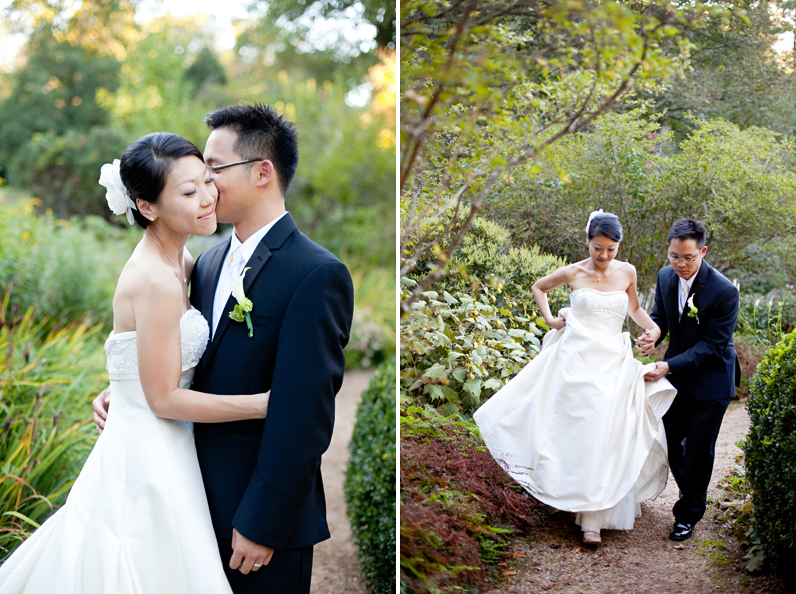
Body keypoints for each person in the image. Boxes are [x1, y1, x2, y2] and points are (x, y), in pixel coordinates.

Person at [93, 104, 354, 593]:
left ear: (262, 172)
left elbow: (305, 416)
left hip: (257, 522)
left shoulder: (316, 274)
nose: (205, 184)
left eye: (214, 169)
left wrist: (264, 522)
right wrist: (121, 392)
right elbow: (171, 361)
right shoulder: (205, 263)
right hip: (186, 499)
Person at [0, 132, 271, 593]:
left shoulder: (181, 258)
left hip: (162, 439)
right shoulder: (155, 279)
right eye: (188, 193)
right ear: (147, 207)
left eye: (207, 181)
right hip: (149, 452)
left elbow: (142, 358)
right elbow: (163, 398)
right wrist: (266, 404)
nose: (208, 198)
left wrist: (117, 387)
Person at [473, 210, 677, 545]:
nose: (604, 255)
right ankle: (566, 494)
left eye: (611, 249)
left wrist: (652, 329)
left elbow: (635, 309)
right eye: (598, 247)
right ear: (588, 242)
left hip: (612, 361)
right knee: (573, 430)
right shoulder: (573, 271)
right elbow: (539, 287)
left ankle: (592, 520)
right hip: (575, 361)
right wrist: (552, 320)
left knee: (604, 431)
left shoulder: (627, 271)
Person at [636, 218, 740, 542]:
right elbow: (662, 318)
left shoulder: (724, 291)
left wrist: (667, 366)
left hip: (711, 381)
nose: (680, 264)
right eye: (674, 256)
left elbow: (712, 346)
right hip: (678, 376)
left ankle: (688, 514)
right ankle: (692, 495)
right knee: (670, 441)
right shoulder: (665, 276)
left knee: (698, 449)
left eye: (688, 258)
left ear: (703, 251)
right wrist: (653, 335)